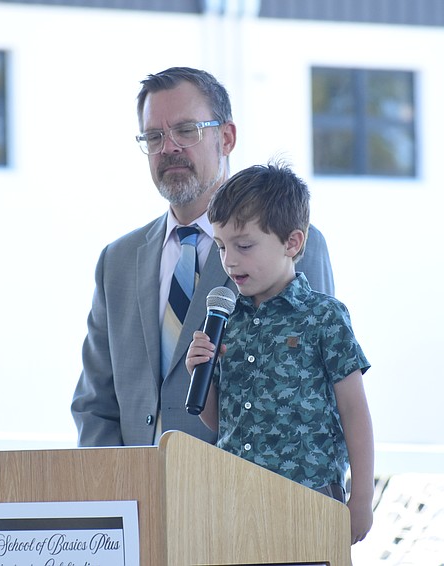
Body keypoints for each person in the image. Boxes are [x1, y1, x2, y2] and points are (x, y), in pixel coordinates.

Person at [71, 67, 335, 448]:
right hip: (138, 498)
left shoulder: (288, 247)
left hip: (245, 497)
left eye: (186, 130)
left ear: (226, 138)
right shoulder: (118, 262)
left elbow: (317, 398)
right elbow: (95, 405)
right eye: (154, 136)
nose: (169, 148)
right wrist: (110, 496)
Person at [184, 160, 374, 544]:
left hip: (310, 503)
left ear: (292, 242)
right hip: (235, 504)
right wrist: (198, 374)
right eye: (221, 246)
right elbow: (222, 422)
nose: (229, 260)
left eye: (244, 245)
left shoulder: (323, 316)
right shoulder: (226, 319)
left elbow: (355, 411)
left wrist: (362, 499)